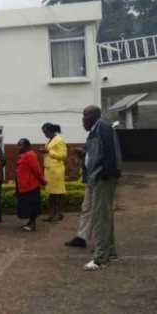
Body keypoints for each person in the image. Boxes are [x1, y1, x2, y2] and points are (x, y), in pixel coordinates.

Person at [80, 105, 121, 271]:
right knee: (105, 215)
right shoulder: (95, 131)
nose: (82, 120)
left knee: (99, 218)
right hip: (99, 178)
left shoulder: (103, 128)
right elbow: (94, 155)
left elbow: (110, 153)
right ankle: (109, 251)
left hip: (103, 178)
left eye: (85, 116)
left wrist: (105, 175)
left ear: (93, 116)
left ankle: (100, 258)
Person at [38, 123, 68, 222]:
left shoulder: (59, 140)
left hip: (56, 170)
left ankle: (59, 214)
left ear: (51, 131)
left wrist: (48, 152)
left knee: (58, 194)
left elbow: (63, 155)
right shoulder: (50, 140)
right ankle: (51, 215)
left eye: (45, 132)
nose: (45, 134)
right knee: (51, 194)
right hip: (49, 170)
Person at [16, 139, 47, 232]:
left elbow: (36, 170)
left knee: (32, 206)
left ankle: (32, 225)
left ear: (27, 146)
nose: (18, 147)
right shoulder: (25, 155)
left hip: (31, 185)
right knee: (28, 206)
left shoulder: (30, 155)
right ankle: (30, 223)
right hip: (25, 185)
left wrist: (43, 181)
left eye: (20, 145)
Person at [65, 147, 93, 248]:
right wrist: (83, 153)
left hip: (98, 179)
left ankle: (104, 244)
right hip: (90, 179)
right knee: (86, 208)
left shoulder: (102, 132)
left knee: (100, 211)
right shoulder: (92, 135)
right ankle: (81, 238)